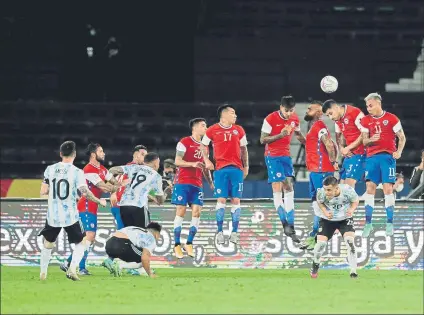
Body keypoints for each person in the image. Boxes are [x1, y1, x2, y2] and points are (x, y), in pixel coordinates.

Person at [39, 141, 107, 281]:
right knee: (81, 242)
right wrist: (99, 201)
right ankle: (72, 269)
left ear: (60, 154)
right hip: (70, 214)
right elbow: (85, 192)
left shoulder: (50, 169)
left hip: (53, 214)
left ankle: (43, 274)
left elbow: (43, 191)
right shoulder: (77, 172)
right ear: (75, 155)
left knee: (48, 244)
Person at [61, 143, 123, 275]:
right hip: (86, 205)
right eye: (101, 151)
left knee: (90, 237)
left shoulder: (101, 169)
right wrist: (116, 186)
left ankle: (68, 263)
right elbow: (105, 187)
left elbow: (115, 184)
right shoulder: (88, 169)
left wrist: (115, 184)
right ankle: (81, 268)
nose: (103, 153)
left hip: (93, 207)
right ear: (93, 154)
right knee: (89, 236)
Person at [359, 93, 406, 237]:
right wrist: (371, 139)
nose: (368, 108)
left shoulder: (392, 118)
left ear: (378, 103)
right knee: (369, 188)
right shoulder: (365, 120)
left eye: (370, 105)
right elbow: (364, 141)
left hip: (387, 157)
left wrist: (399, 151)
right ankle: (368, 223)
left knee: (388, 189)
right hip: (372, 157)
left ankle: (390, 223)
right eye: (367, 106)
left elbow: (402, 137)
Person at [201, 104, 249, 245]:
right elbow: (203, 145)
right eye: (233, 113)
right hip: (220, 169)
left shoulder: (239, 130)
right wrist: (206, 160)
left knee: (236, 201)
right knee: (221, 200)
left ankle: (234, 232)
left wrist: (246, 166)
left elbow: (244, 149)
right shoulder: (212, 130)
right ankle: (220, 232)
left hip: (236, 169)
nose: (235, 115)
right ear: (224, 115)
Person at [260, 95, 305, 243]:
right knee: (279, 185)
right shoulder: (270, 119)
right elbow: (262, 140)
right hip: (272, 156)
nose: (289, 113)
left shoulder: (294, 119)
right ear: (281, 107)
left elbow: (298, 135)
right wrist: (281, 134)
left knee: (289, 188)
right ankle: (285, 224)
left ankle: (290, 225)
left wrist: (308, 144)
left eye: (291, 110)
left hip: (286, 156)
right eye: (286, 110)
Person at [172, 118, 214, 258]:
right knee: (181, 211)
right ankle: (177, 244)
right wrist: (193, 164)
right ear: (195, 128)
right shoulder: (184, 142)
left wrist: (211, 183)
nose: (206, 128)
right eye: (203, 126)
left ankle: (189, 243)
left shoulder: (205, 147)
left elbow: (205, 167)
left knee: (197, 212)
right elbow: (177, 161)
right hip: (183, 182)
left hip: (197, 184)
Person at [300, 101, 338, 250]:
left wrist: (334, 161)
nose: (307, 109)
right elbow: (311, 145)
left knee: (322, 204)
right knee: (317, 204)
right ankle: (316, 235)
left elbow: (328, 143)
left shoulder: (320, 125)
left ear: (319, 113)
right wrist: (298, 135)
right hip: (315, 171)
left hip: (321, 171)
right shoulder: (312, 128)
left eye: (311, 108)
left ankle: (316, 236)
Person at [310, 176, 359, 279]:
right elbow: (320, 202)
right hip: (328, 220)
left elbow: (355, 201)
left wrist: (352, 209)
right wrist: (325, 212)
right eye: (325, 189)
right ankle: (315, 264)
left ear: (336, 188)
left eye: (329, 190)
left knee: (350, 242)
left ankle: (353, 271)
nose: (326, 192)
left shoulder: (348, 190)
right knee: (320, 245)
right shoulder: (321, 192)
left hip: (345, 219)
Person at [108, 152, 172, 228]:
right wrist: (166, 193)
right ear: (156, 163)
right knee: (142, 234)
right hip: (139, 207)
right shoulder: (156, 176)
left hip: (124, 206)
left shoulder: (133, 167)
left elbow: (112, 170)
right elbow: (160, 200)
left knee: (129, 234)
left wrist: (117, 185)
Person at [322, 100, 366, 188]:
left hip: (362, 152)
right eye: (328, 115)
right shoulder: (337, 119)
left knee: (348, 184)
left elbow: (364, 134)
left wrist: (348, 148)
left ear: (336, 107)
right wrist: (342, 148)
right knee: (341, 184)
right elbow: (339, 136)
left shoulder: (355, 113)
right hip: (350, 154)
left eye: (330, 113)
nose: (330, 117)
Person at [110, 145, 148, 230]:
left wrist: (113, 192)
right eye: (143, 154)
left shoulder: (125, 169)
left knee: (125, 235)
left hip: (118, 207)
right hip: (124, 206)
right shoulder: (137, 169)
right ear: (135, 155)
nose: (145, 158)